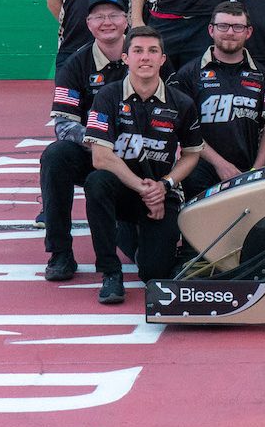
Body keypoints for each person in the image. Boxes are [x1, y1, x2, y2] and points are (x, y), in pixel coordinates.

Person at [83, 26, 204, 305]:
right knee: (96, 182)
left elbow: (191, 155)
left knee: (154, 273)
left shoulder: (181, 103)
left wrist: (164, 185)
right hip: (125, 191)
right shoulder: (107, 96)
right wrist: (145, 189)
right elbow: (100, 157)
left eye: (152, 51)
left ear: (163, 59)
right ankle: (110, 273)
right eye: (137, 51)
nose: (145, 57)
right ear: (126, 58)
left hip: (161, 193)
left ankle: (132, 236)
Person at [38, 0, 133, 279]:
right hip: (93, 152)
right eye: (99, 17)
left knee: (147, 257)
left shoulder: (144, 55)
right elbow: (64, 125)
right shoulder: (75, 64)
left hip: (140, 154)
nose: (107, 22)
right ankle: (60, 253)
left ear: (127, 19)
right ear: (88, 23)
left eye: (114, 15)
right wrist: (100, 143)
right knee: (55, 156)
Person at [168, 1, 265, 199]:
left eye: (238, 27)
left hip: (248, 169)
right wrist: (220, 164)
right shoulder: (188, 74)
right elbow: (186, 131)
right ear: (211, 30)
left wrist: (255, 171)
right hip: (202, 167)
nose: (230, 32)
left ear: (248, 32)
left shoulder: (263, 75)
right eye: (223, 26)